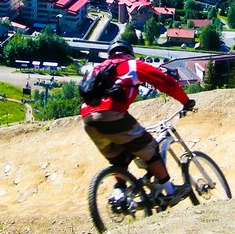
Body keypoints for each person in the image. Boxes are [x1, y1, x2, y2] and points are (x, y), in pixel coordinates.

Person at [80, 37, 196, 205]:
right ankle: (170, 191)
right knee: (150, 148)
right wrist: (185, 101)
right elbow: (165, 82)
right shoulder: (131, 65)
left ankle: (119, 193)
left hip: (88, 121)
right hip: (111, 115)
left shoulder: (98, 69)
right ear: (129, 53)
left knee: (119, 158)